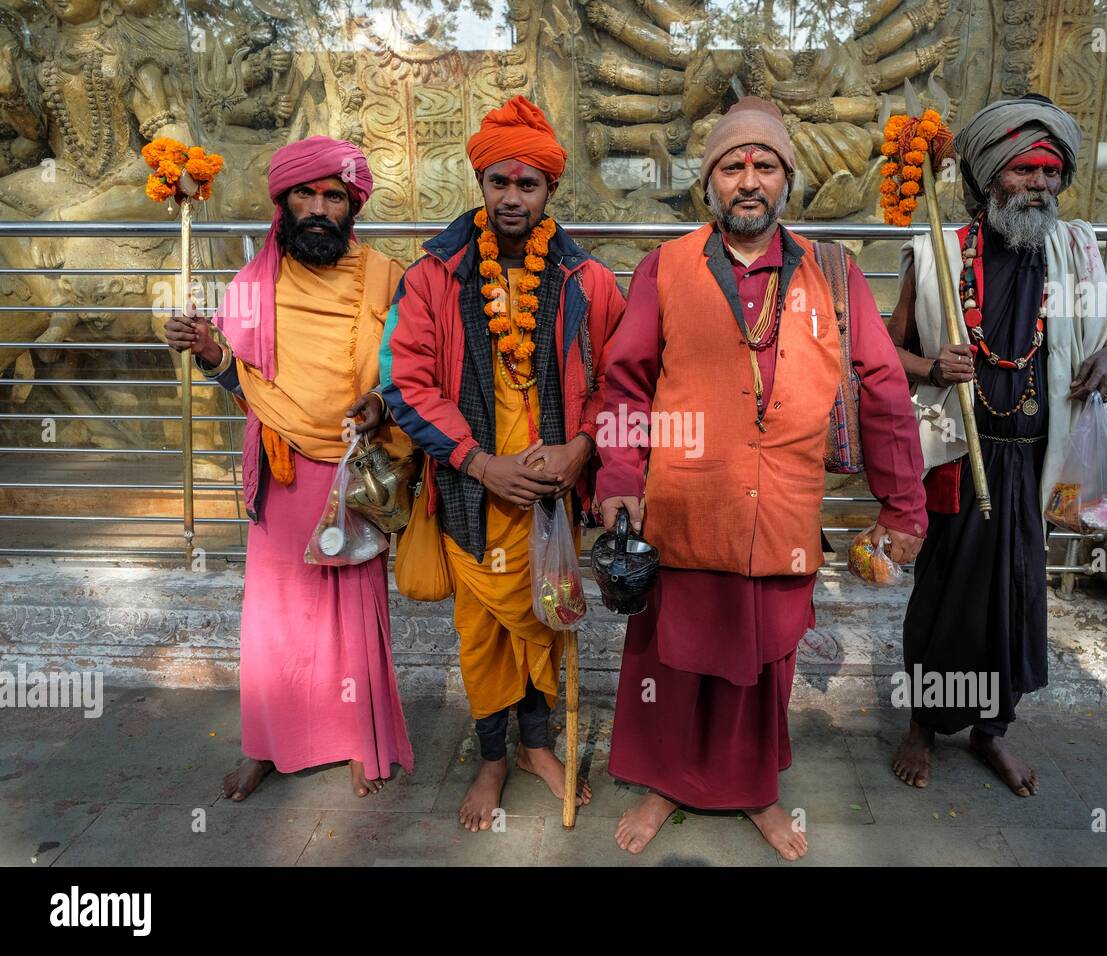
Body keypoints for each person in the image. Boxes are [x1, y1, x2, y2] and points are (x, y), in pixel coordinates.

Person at [597, 96, 928, 860]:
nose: (749, 180)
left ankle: (755, 793)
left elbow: (882, 390)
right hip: (683, 507)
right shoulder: (666, 268)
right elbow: (625, 384)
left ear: (787, 182)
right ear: (710, 183)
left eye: (765, 166)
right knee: (670, 663)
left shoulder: (833, 276)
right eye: (733, 166)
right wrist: (619, 475)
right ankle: (665, 783)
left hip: (778, 512)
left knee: (763, 670)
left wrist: (904, 507)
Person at [377, 96, 626, 832]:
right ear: (480, 183)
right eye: (499, 183)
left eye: (528, 185)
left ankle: (538, 748)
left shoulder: (589, 282)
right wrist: (480, 463)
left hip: (552, 498)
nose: (512, 197)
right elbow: (403, 382)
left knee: (548, 617)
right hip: (469, 492)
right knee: (481, 631)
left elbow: (618, 381)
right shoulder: (432, 275)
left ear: (551, 191)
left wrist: (582, 448)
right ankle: (492, 757)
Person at [887, 94, 1107, 795]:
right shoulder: (937, 255)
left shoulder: (1075, 252)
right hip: (959, 456)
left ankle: (992, 733)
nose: (1040, 186)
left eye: (1051, 173)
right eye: (1025, 171)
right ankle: (923, 728)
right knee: (943, 599)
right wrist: (934, 368)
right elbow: (881, 352)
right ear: (992, 175)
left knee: (1017, 601)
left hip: (1033, 459)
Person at [163, 136, 415, 801]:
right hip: (283, 465)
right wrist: (210, 351)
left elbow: (409, 372)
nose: (319, 207)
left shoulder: (387, 276)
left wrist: (381, 405)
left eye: (334, 196)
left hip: (356, 466)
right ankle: (267, 746)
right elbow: (243, 386)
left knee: (355, 610)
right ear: (284, 201)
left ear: (351, 206)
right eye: (306, 194)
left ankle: (361, 740)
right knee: (274, 618)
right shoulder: (254, 283)